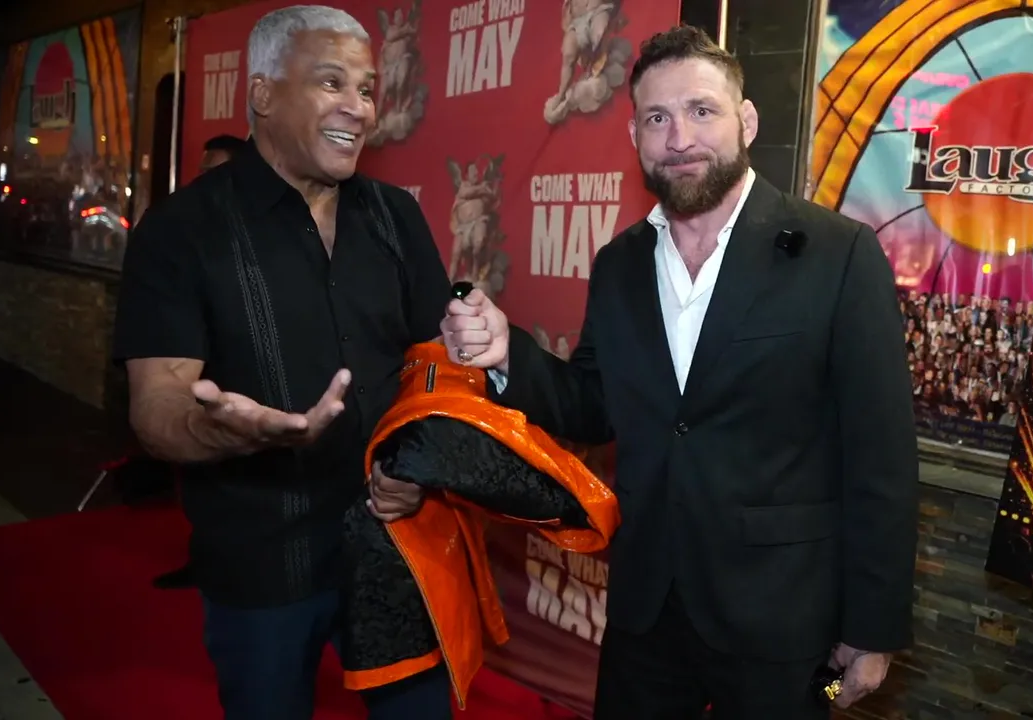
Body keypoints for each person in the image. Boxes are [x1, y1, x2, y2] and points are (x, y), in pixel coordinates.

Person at [442, 25, 919, 720]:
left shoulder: (837, 253)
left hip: (780, 615)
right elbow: (594, 405)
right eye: (658, 119)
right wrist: (507, 355)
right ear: (634, 135)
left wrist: (872, 627)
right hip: (647, 607)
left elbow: (882, 456)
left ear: (746, 121)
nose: (680, 138)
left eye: (702, 110)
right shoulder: (619, 264)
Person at [113, 6, 452, 719]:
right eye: (332, 83)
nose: (358, 108)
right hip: (263, 564)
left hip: (396, 543)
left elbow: (436, 368)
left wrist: (418, 466)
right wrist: (223, 431)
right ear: (263, 93)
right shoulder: (179, 232)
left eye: (367, 89)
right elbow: (156, 404)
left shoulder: (396, 216)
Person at [153, 130, 255, 593]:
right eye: (202, 171)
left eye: (217, 171)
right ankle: (205, 560)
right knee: (200, 479)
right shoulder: (187, 233)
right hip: (198, 376)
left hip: (242, 382)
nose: (205, 181)